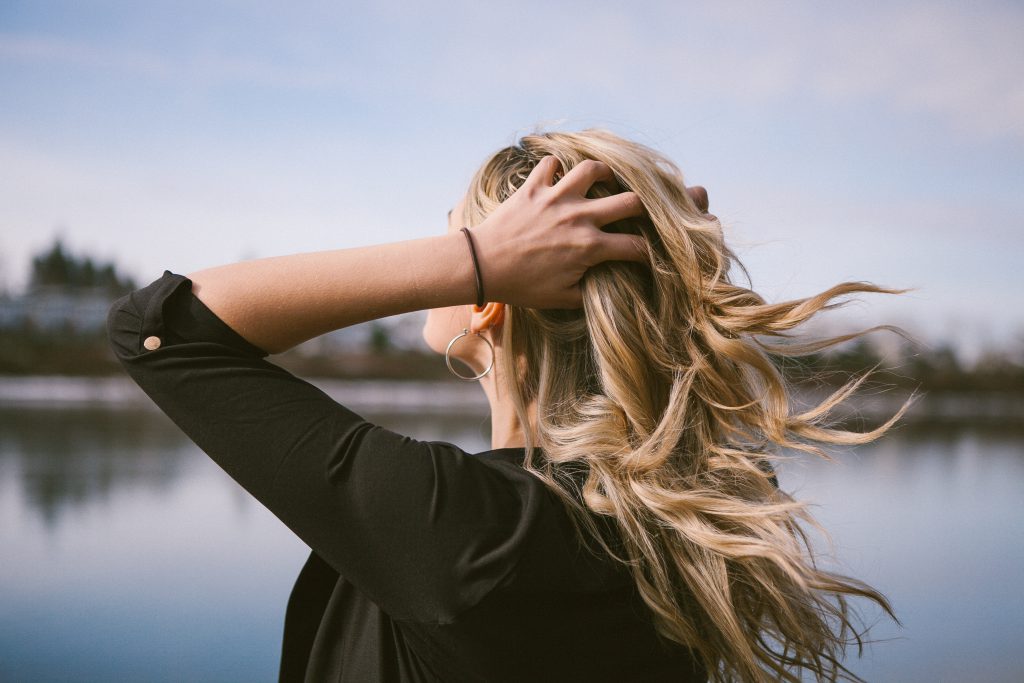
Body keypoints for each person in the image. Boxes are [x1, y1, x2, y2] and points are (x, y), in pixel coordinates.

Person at [107, 128, 911, 683]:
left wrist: (471, 260)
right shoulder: (685, 523)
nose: (444, 247)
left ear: (497, 294)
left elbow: (159, 329)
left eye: (456, 232)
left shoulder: (463, 527)